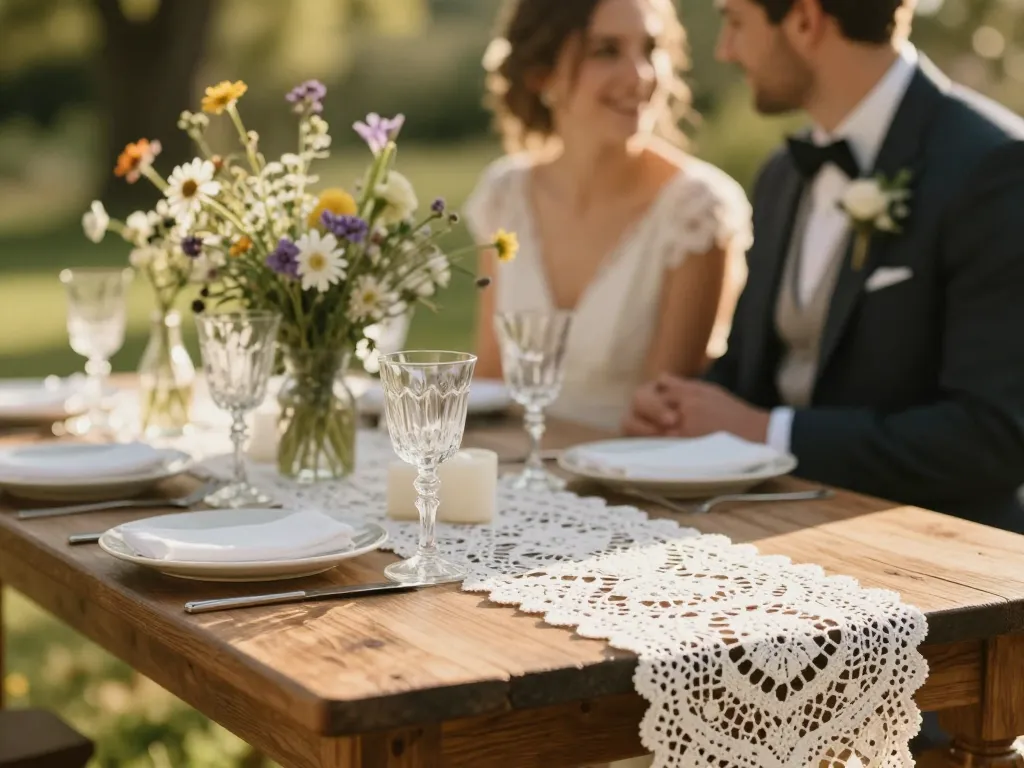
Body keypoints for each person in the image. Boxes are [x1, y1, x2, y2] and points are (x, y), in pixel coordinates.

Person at [624, 0, 1024, 533]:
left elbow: (993, 436)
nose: (725, 50)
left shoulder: (995, 166)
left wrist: (767, 433)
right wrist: (680, 410)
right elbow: (751, 372)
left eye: (736, 22)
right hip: (764, 527)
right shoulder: (782, 175)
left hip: (932, 550)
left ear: (805, 21)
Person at [464, 0, 753, 432]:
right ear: (541, 72)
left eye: (650, 49)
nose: (640, 75)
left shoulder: (696, 211)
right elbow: (490, 380)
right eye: (606, 51)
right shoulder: (504, 195)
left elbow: (662, 418)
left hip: (629, 466)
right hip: (513, 461)